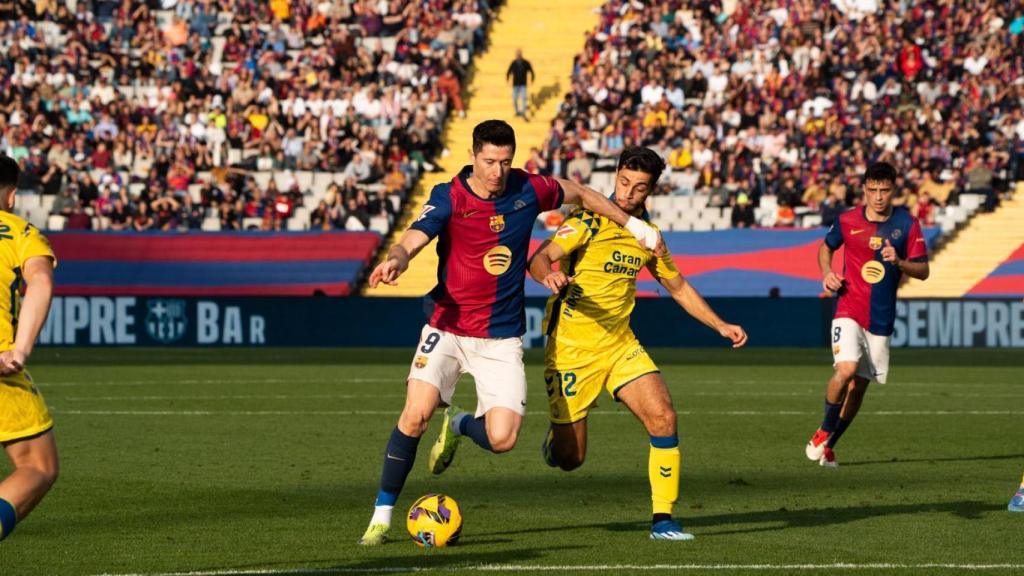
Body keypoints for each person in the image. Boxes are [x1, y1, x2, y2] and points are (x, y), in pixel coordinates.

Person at [357, 120, 662, 545]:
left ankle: (461, 424)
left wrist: (635, 227)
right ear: (473, 155)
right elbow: (414, 236)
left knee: (503, 438)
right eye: (489, 161)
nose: (498, 171)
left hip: (500, 338)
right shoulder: (450, 196)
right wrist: (397, 260)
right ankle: (382, 516)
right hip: (447, 326)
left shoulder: (529, 189)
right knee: (415, 415)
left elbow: (585, 195)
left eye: (505, 161)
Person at [529, 147, 748, 541]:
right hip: (572, 348)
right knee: (571, 459)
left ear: (651, 191)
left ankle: (663, 520)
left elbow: (677, 285)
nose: (627, 193)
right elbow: (541, 258)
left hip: (619, 343)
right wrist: (549, 276)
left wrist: (719, 324)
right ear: (616, 176)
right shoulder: (588, 221)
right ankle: (545, 439)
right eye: (623, 182)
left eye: (638, 188)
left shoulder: (649, 237)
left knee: (663, 417)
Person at [805, 162, 929, 467]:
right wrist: (827, 272)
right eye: (872, 190)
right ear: (864, 189)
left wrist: (899, 262)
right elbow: (826, 247)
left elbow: (923, 270)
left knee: (859, 386)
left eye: (884, 190)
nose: (878, 197)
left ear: (893, 189)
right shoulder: (847, 220)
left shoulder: (908, 224)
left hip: (881, 318)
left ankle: (831, 444)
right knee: (845, 370)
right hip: (848, 306)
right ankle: (823, 429)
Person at [0, 155, 59, 542]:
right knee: (37, 465)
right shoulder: (19, 232)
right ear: (12, 196)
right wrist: (19, 349)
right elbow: (40, 281)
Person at [506, 49, 534, 119]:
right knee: (515, 99)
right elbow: (509, 71)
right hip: (515, 84)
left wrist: (532, 78)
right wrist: (507, 78)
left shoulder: (525, 63)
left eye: (519, 55)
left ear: (521, 55)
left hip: (523, 84)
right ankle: (517, 111)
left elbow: (531, 71)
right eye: (517, 55)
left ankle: (523, 112)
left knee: (523, 98)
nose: (518, 56)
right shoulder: (514, 63)